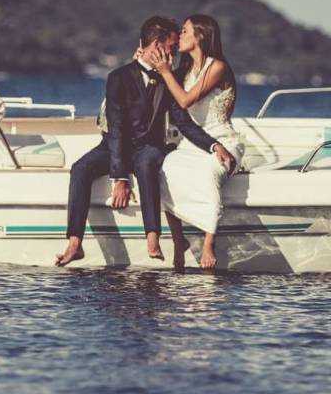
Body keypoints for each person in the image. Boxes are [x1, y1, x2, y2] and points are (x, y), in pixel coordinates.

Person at [57, 16, 237, 267]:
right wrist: (119, 177)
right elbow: (116, 129)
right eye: (171, 48)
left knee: (148, 162)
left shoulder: (168, 79)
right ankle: (75, 243)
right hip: (112, 147)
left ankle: (153, 237)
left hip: (147, 148)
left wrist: (212, 145)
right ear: (156, 46)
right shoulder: (119, 77)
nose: (174, 54)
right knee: (80, 168)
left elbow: (182, 120)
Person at [142, 14, 243, 269]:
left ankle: (209, 241)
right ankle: (179, 240)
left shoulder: (217, 66)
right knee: (165, 169)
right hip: (193, 142)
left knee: (208, 171)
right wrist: (148, 63)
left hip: (222, 138)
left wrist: (165, 72)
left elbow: (185, 100)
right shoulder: (185, 69)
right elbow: (164, 86)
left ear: (200, 35)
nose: (180, 36)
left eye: (185, 31)